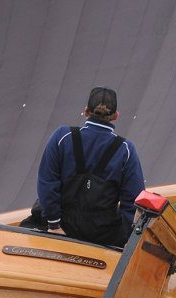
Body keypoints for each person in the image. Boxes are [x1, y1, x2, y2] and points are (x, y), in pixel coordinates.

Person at [36, 87, 145, 247]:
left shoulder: (62, 136)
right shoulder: (126, 149)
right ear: (116, 116)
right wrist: (126, 241)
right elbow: (134, 201)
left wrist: (54, 225)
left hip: (62, 228)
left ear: (86, 111)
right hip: (103, 237)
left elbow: (46, 182)